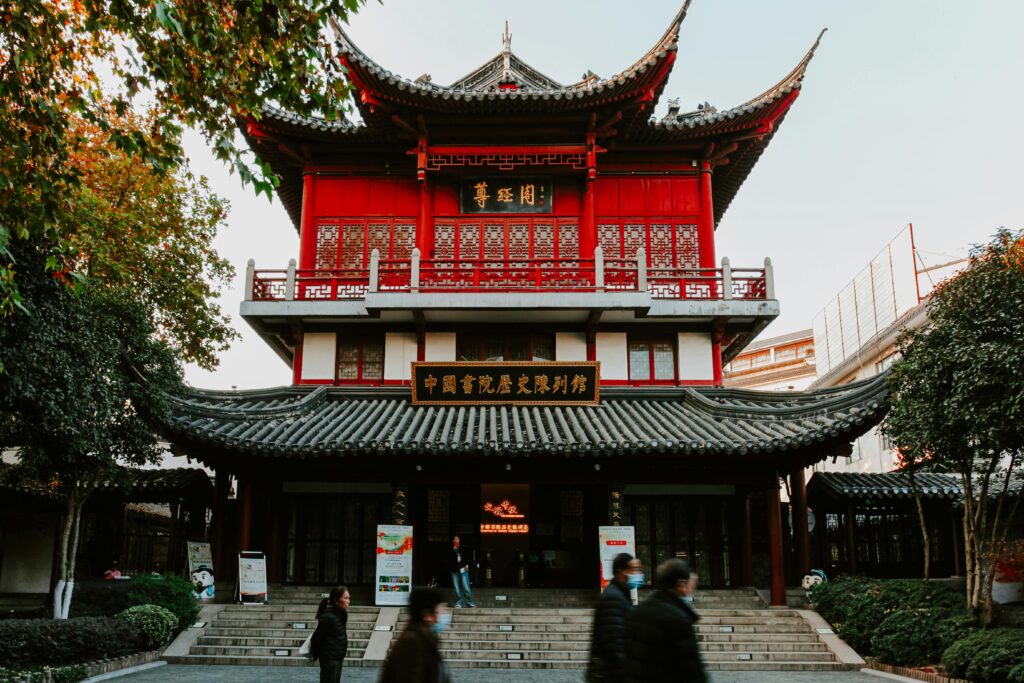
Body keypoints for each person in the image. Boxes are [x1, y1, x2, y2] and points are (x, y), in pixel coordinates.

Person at [625, 558, 706, 683]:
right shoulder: (678, 619)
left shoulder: (639, 611)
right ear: (680, 584)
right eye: (691, 582)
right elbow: (690, 670)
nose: (693, 587)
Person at [588, 552, 642, 682]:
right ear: (621, 572)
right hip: (612, 675)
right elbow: (614, 643)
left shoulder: (621, 594)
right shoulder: (614, 598)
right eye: (634, 570)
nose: (638, 574)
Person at [378, 587, 452, 683]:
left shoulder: (425, 638)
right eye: (442, 609)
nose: (446, 613)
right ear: (427, 614)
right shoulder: (411, 643)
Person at [312, 585, 349, 683]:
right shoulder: (328, 617)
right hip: (329, 658)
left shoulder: (340, 615)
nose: (348, 601)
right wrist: (317, 653)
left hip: (338, 656)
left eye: (348, 598)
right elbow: (317, 637)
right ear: (336, 600)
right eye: (345, 598)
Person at [449, 536, 475, 608]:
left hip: (463, 569)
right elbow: (448, 559)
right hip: (454, 570)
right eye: (454, 539)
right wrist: (453, 550)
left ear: (460, 540)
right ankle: (458, 603)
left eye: (457, 539)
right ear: (453, 541)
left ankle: (469, 603)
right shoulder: (450, 549)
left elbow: (468, 556)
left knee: (466, 586)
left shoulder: (464, 548)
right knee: (456, 587)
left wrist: (467, 565)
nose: (456, 540)